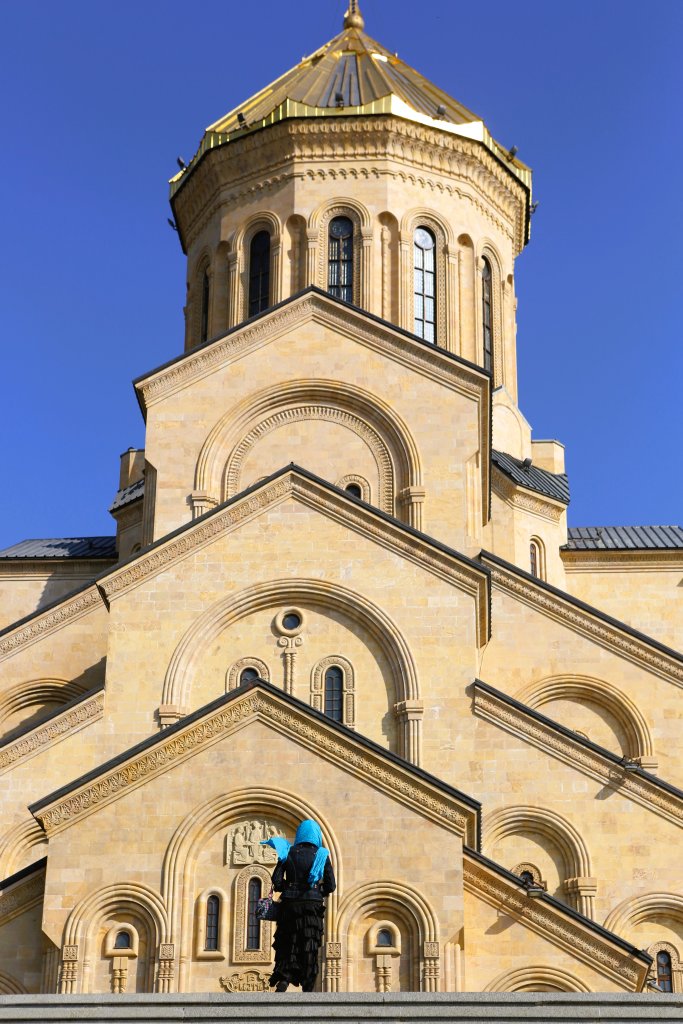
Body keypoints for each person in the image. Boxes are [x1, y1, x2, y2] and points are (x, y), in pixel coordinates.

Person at [261, 818, 336, 992]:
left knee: (289, 941)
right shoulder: (322, 854)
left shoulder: (288, 852)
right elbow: (331, 885)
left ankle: (285, 978)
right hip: (312, 906)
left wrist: (288, 887)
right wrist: (318, 891)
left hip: (290, 905)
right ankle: (308, 984)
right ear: (316, 835)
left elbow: (277, 881)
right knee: (308, 943)